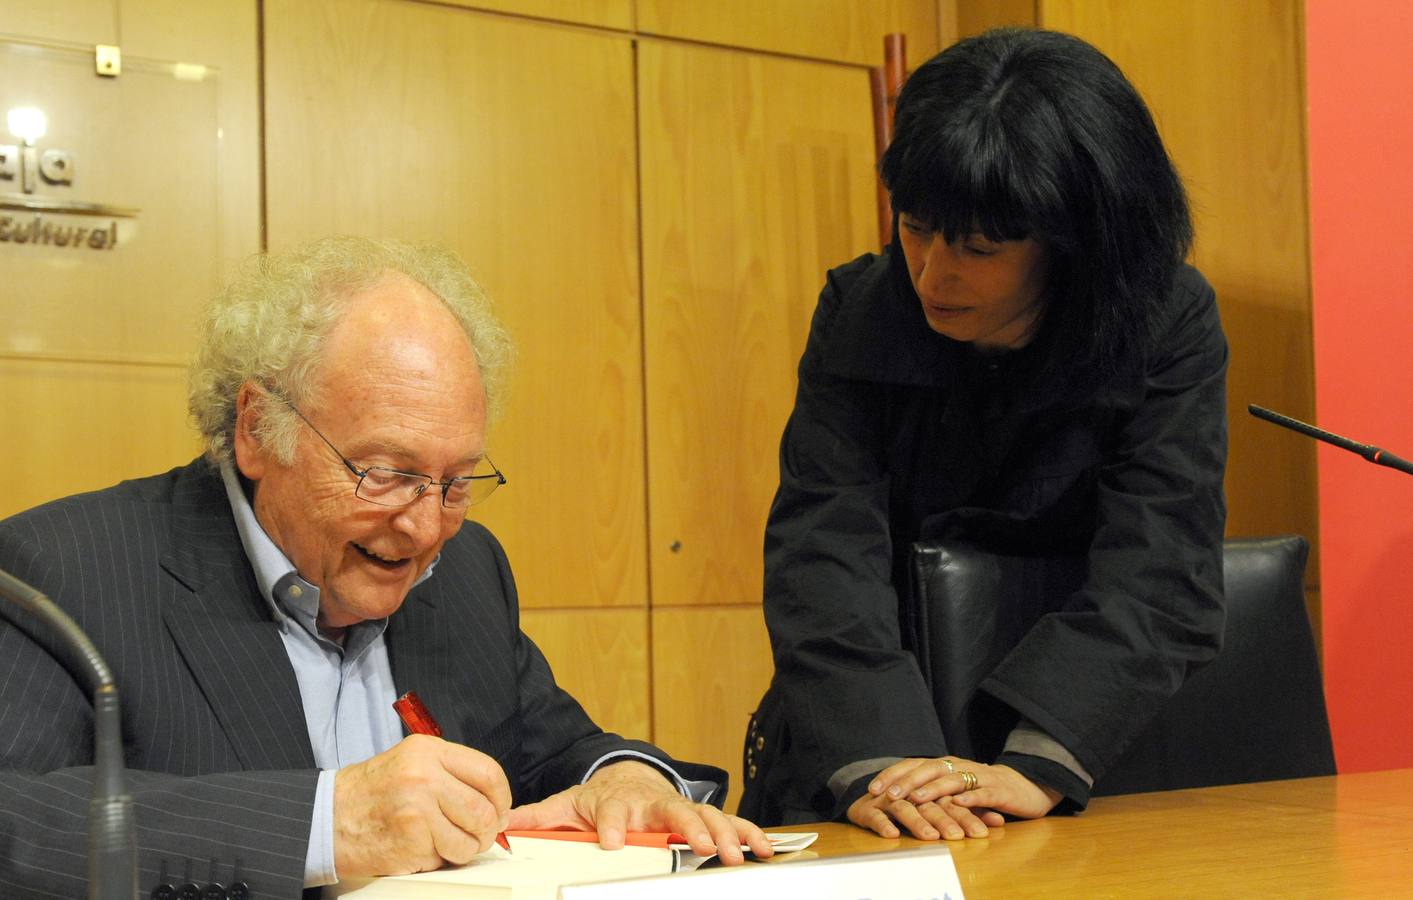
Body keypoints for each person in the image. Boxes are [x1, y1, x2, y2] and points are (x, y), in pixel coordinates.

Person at [0, 236, 772, 897]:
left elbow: (557, 752)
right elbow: (14, 827)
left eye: (457, 480)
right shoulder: (64, 572)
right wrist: (326, 826)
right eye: (385, 472)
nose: (426, 525)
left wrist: (625, 780)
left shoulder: (467, 572)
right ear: (257, 430)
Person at [738, 27, 1228, 842]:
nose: (932, 273)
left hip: (1074, 736)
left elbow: (1160, 566)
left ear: (1076, 243)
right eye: (916, 227)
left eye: (978, 247)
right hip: (866, 735)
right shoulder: (862, 309)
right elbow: (822, 550)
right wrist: (888, 767)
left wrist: (1039, 761)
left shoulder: (1164, 321)